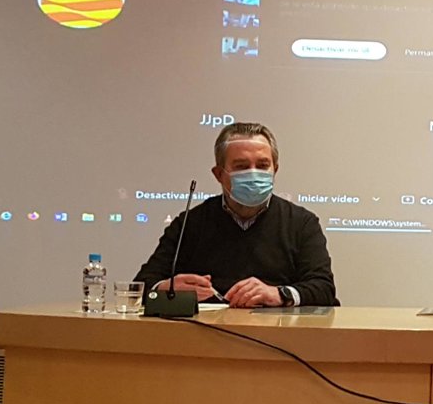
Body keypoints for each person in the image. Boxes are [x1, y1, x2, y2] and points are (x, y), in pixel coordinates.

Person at [135, 122, 338, 307]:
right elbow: (142, 285)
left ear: (275, 170)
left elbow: (324, 288)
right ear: (219, 174)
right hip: (205, 332)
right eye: (241, 167)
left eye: (262, 166)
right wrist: (165, 288)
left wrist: (279, 294)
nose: (253, 173)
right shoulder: (190, 222)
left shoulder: (301, 223)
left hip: (277, 332)